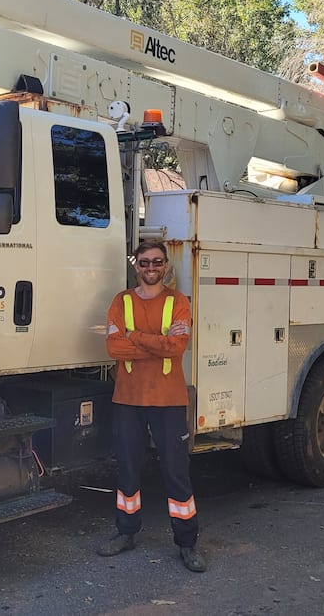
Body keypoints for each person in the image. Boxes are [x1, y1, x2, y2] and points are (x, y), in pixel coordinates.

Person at [97, 240, 206, 572]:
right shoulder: (122, 301)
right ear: (136, 266)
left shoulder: (178, 302)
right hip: (128, 400)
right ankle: (126, 533)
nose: (150, 268)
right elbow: (114, 349)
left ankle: (187, 544)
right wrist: (154, 343)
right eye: (144, 263)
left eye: (157, 262)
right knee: (127, 471)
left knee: (176, 475)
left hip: (168, 401)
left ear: (166, 266)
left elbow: (176, 347)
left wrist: (135, 336)